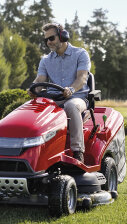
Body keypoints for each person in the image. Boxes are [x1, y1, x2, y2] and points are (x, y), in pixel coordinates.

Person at [28, 23, 91, 163]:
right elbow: (40, 79)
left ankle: (78, 151)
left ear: (63, 36)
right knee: (32, 107)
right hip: (53, 99)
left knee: (71, 106)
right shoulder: (45, 60)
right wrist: (33, 89)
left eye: (51, 38)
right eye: (46, 40)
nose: (48, 42)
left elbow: (82, 78)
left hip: (77, 98)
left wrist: (72, 89)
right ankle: (32, 150)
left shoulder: (80, 54)